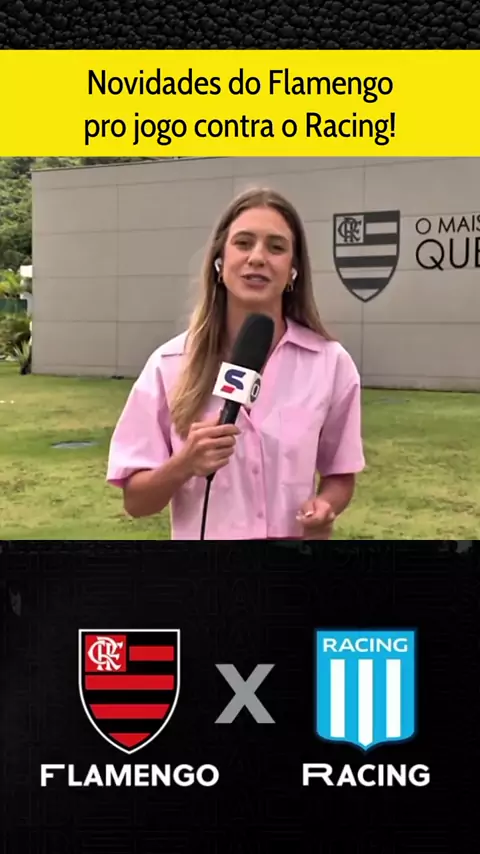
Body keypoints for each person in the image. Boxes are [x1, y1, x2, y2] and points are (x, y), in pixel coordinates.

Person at [106, 187, 366, 540]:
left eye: (276, 247)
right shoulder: (168, 365)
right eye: (243, 243)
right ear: (219, 261)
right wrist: (184, 464)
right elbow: (136, 502)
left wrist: (325, 506)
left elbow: (340, 473)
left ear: (293, 270)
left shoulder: (330, 364)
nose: (257, 257)